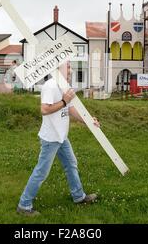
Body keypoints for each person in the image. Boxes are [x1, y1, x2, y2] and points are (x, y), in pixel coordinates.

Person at [17, 62, 100, 216]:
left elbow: (70, 109)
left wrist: (88, 120)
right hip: (51, 138)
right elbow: (44, 109)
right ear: (58, 68)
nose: (70, 70)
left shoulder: (64, 86)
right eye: (68, 66)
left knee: (71, 164)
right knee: (41, 172)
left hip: (62, 137)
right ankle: (24, 205)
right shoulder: (50, 85)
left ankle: (78, 197)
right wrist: (64, 101)